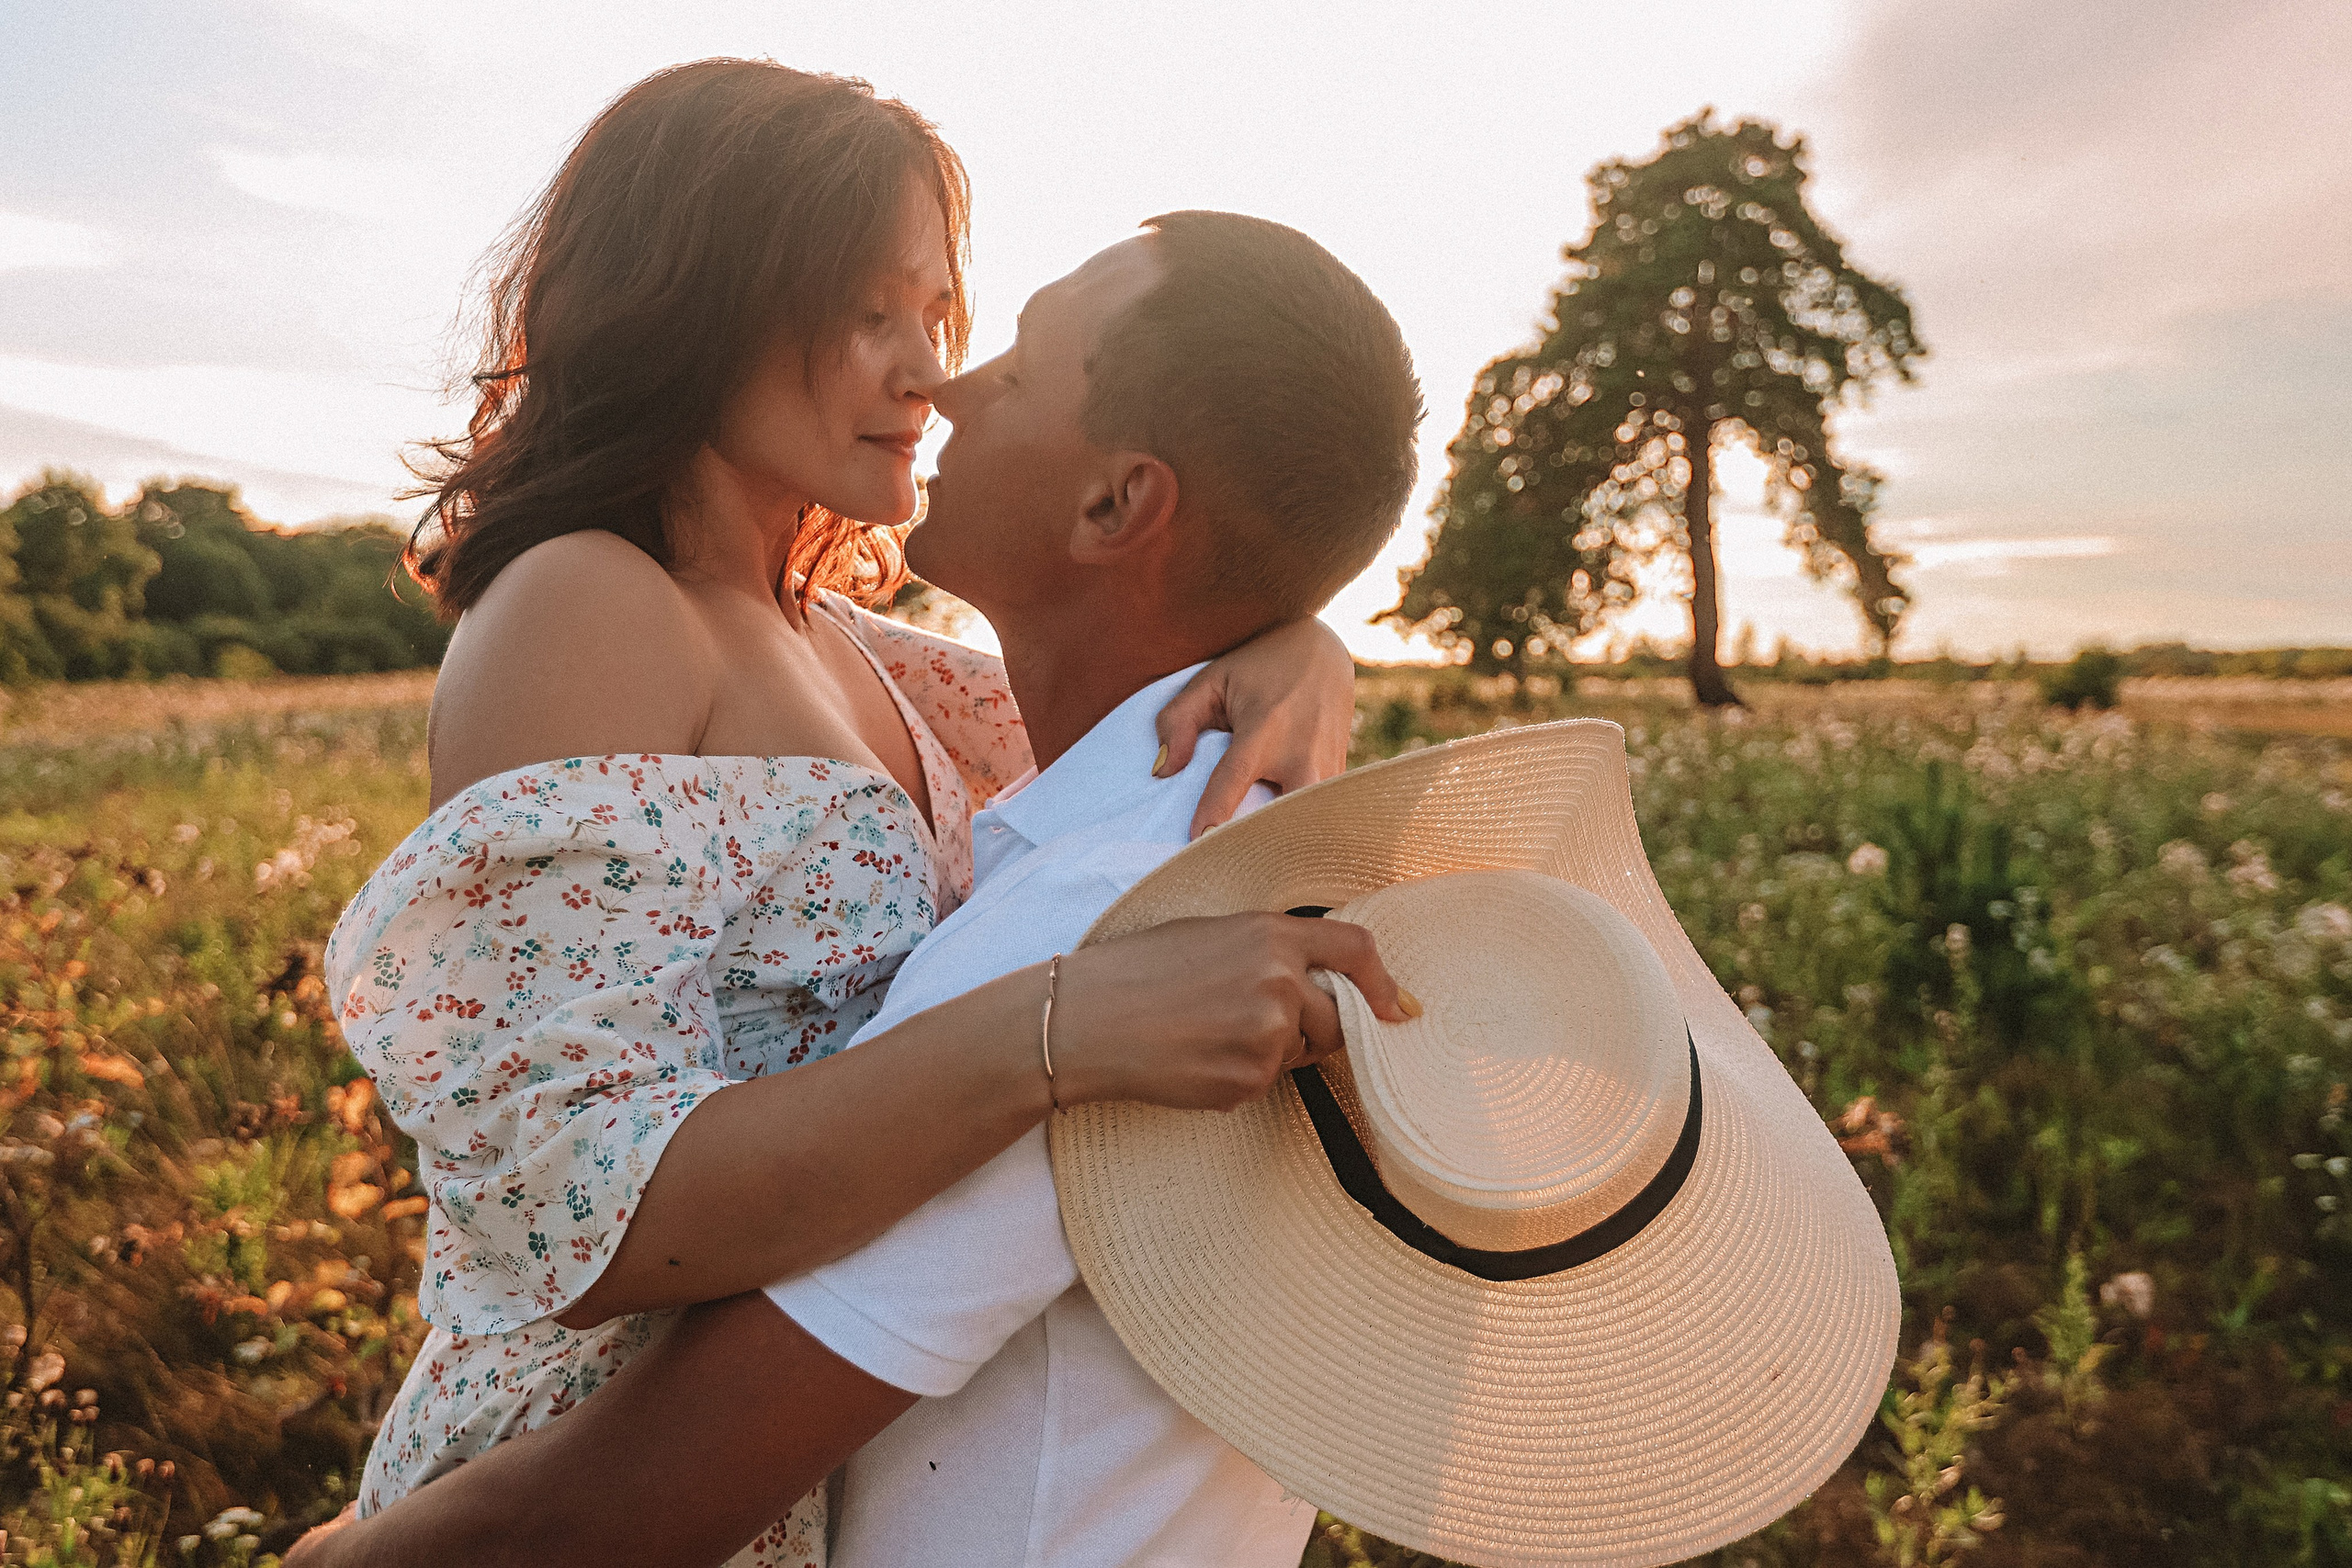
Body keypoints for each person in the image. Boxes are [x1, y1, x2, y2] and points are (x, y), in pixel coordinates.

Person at [309, 62, 1405, 1565]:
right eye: (868, 310)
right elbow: (570, 1215)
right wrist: (1057, 1035)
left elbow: (1133, 652)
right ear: (696, 291)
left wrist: (1297, 636)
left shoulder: (862, 650)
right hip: (592, 1479)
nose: (929, 374)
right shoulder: (589, 604)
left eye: (940, 318)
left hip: (797, 1470)